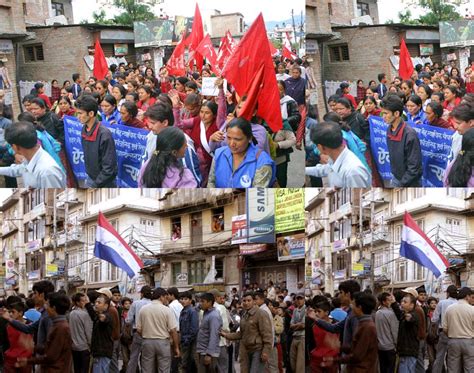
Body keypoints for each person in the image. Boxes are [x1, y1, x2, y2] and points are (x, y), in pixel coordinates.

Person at [142, 103, 202, 187]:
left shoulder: (183, 142)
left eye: (153, 123)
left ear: (165, 122)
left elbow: (194, 178)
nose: (149, 126)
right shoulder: (151, 136)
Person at [208, 117, 276, 188]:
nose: (232, 144)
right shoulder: (219, 154)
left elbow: (257, 195)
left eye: (237, 139)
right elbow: (211, 182)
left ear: (249, 138)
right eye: (228, 138)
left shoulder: (262, 161)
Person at [322, 292, 378, 373]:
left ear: (359, 307)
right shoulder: (363, 323)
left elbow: (357, 356)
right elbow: (356, 348)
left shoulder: (367, 327)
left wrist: (334, 360)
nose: (352, 307)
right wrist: (339, 346)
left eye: (354, 305)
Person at [17, 292, 72, 372]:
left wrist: (28, 361)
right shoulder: (57, 324)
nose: (46, 308)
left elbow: (51, 356)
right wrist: (33, 348)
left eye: (48, 305)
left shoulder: (61, 328)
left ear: (54, 308)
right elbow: (50, 348)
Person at [305, 121, 371, 187]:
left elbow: (357, 195)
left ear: (320, 147)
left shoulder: (352, 172)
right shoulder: (335, 158)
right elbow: (324, 169)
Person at [0, 121, 66, 188]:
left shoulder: (47, 172)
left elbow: (52, 196)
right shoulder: (29, 158)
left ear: (15, 147)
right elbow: (18, 169)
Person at [221, 292, 272, 373]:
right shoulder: (244, 314)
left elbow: (267, 335)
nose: (246, 303)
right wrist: (226, 335)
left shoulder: (261, 314)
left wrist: (266, 351)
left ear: (254, 301)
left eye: (249, 300)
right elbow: (241, 334)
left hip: (258, 350)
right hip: (246, 350)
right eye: (244, 301)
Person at [76, 96, 118, 187]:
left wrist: (96, 183)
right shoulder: (84, 129)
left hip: (104, 183)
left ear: (91, 113)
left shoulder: (104, 135)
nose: (78, 117)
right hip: (91, 178)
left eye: (80, 113)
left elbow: (109, 168)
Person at [381, 95, 422, 187]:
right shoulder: (389, 129)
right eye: (382, 113)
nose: (383, 117)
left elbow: (414, 167)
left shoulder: (410, 134)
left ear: (396, 113)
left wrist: (402, 183)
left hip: (409, 182)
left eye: (386, 113)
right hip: (396, 177)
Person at [137, 287, 180, 372]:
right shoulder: (166, 310)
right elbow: (173, 330)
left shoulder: (143, 309)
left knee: (147, 368)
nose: (166, 300)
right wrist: (176, 347)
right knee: (164, 368)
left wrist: (146, 336)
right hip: (163, 342)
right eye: (165, 298)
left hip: (147, 342)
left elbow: (138, 329)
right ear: (161, 297)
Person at [442, 287, 474, 373]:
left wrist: (451, 334)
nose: (472, 299)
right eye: (472, 297)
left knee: (453, 368)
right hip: (469, 341)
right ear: (467, 296)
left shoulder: (449, 308)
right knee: (470, 368)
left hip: (453, 341)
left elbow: (444, 328)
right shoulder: (472, 309)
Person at [125, 286, 152, 373]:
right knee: (147, 358)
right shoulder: (153, 304)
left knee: (133, 357)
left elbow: (128, 320)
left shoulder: (136, 303)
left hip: (137, 333)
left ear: (142, 294)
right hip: (150, 334)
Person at [309, 300, 339, 373]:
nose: (316, 314)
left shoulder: (336, 325)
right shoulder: (313, 326)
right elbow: (311, 343)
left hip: (331, 358)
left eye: (319, 311)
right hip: (316, 359)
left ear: (326, 312)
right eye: (315, 311)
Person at [3, 301, 33, 373]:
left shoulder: (30, 325)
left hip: (25, 359)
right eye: (9, 312)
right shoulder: (8, 325)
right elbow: (5, 342)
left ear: (20, 313)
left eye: (13, 312)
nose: (10, 314)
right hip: (10, 360)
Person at [196, 292, 223, 373]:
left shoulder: (213, 316)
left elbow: (214, 336)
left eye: (203, 301)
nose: (200, 304)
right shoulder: (206, 313)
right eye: (200, 301)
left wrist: (209, 354)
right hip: (203, 350)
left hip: (208, 352)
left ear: (210, 302)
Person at [375, 292, 399, 373]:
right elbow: (394, 331)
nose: (391, 302)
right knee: (390, 368)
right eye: (389, 300)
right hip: (390, 346)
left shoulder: (377, 313)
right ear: (384, 302)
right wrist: (397, 344)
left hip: (380, 346)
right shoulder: (390, 313)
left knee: (382, 368)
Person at [69, 293, 93, 373]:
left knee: (77, 369)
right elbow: (88, 332)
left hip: (74, 347)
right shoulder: (85, 314)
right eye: (83, 301)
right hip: (84, 347)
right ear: (77, 302)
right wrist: (91, 345)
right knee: (84, 369)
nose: (85, 302)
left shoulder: (71, 313)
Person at [90, 293, 114, 372]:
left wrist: (101, 316)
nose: (96, 304)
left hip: (103, 352)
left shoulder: (107, 316)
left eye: (99, 302)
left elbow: (104, 319)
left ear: (106, 305)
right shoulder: (97, 316)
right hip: (98, 352)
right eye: (96, 302)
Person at [179, 291, 199, 373]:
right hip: (184, 341)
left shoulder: (192, 311)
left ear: (190, 300)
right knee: (185, 363)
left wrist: (186, 340)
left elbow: (194, 329)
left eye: (186, 299)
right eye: (182, 299)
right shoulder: (183, 311)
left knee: (187, 363)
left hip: (189, 342)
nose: (183, 301)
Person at [290, 293, 305, 373]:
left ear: (304, 299)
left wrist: (295, 325)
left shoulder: (306, 309)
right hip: (295, 336)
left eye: (301, 298)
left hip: (302, 337)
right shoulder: (295, 310)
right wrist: (297, 325)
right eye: (297, 299)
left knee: (300, 364)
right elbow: (291, 324)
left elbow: (303, 325)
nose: (299, 300)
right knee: (293, 361)